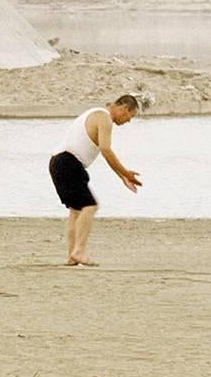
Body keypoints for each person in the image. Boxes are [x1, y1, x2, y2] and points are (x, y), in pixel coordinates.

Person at [51, 88, 144, 263]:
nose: (128, 122)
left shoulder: (95, 113)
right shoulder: (104, 118)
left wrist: (122, 176)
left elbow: (105, 153)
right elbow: (106, 149)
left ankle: (71, 256)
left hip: (58, 162)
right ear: (124, 108)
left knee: (76, 210)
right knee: (90, 206)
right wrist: (125, 172)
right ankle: (79, 251)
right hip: (69, 162)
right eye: (129, 117)